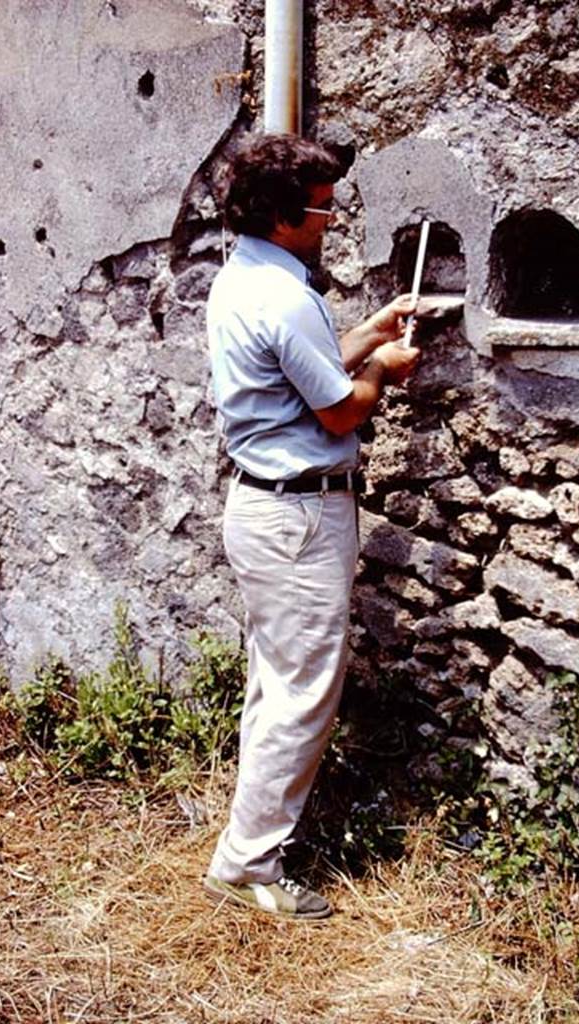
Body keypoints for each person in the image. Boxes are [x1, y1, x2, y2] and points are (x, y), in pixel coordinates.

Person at [204, 133, 419, 920]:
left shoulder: (246, 279)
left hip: (266, 508)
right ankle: (247, 864)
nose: (332, 217)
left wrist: (368, 332)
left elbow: (306, 371)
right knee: (301, 695)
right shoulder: (287, 296)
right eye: (324, 205)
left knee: (278, 685)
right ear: (286, 215)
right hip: (297, 513)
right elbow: (338, 409)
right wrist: (382, 371)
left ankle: (249, 841)